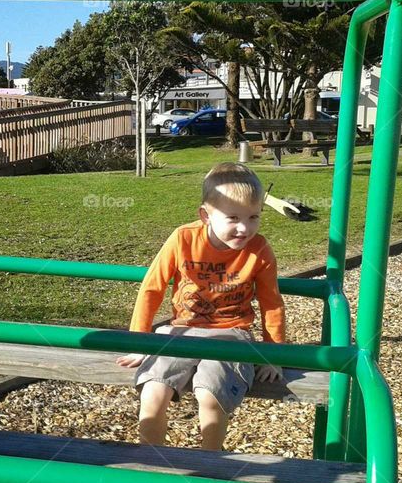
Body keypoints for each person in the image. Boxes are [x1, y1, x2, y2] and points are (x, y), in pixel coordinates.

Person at [116, 162, 285, 450]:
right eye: (233, 218)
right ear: (206, 215)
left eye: (254, 217)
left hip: (233, 333)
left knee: (210, 395)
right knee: (154, 391)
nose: (244, 228)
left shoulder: (259, 249)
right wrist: (139, 340)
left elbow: (271, 302)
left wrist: (273, 354)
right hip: (182, 330)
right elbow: (152, 288)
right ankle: (150, 464)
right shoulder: (183, 239)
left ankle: (209, 464)